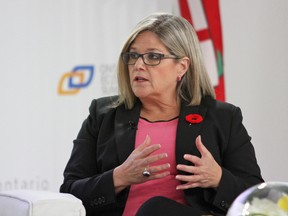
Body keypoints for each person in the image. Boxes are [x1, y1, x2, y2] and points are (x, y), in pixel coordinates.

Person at [60, 12, 264, 216]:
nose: (138, 65)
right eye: (133, 56)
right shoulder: (102, 115)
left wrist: (218, 177)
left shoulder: (223, 117)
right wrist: (119, 177)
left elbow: (257, 201)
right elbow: (69, 192)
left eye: (153, 57)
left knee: (154, 209)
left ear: (182, 67)